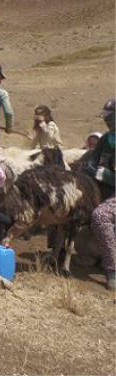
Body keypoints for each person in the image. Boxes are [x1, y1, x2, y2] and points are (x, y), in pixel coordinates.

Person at [86, 98, 115, 290]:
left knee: (100, 216)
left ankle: (113, 270)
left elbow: (98, 169)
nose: (107, 121)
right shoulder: (106, 139)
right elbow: (92, 161)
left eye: (111, 118)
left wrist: (101, 173)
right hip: (104, 188)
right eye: (107, 118)